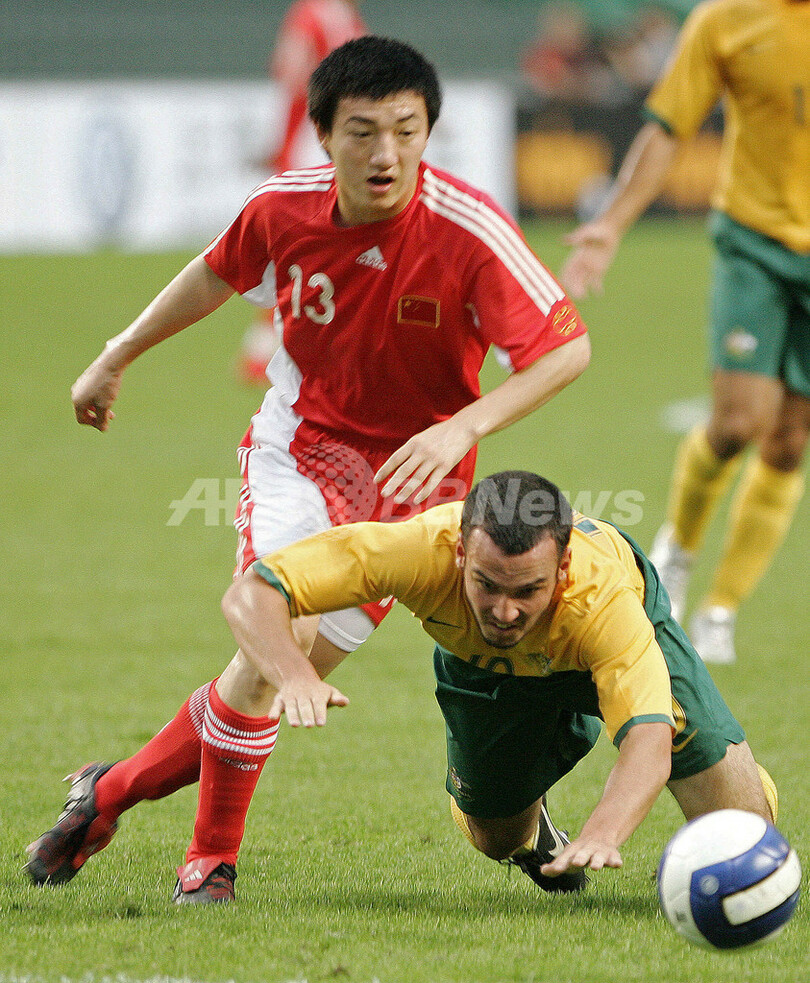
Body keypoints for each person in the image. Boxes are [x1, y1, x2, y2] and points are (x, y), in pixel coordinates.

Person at [26, 38, 591, 903]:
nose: (387, 152)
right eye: (363, 131)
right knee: (273, 650)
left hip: (409, 492)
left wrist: (463, 426)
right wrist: (116, 354)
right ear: (323, 135)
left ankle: (106, 793)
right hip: (301, 451)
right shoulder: (282, 209)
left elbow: (566, 347)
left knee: (270, 673)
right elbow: (214, 276)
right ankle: (209, 863)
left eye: (407, 129)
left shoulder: (469, 229)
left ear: (429, 131)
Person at [41, 470, 778, 899]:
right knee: (496, 836)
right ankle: (536, 824)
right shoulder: (413, 549)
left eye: (528, 590)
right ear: (459, 553)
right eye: (487, 584)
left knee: (747, 828)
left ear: (561, 568)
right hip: (488, 676)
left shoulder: (605, 601)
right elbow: (253, 593)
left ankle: (721, 792)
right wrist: (295, 671)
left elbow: (646, 739)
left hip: (610, 647)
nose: (504, 608)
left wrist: (604, 834)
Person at [560, 0, 810, 665]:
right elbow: (669, 127)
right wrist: (611, 224)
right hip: (755, 244)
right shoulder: (726, 19)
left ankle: (720, 608)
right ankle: (679, 548)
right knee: (737, 423)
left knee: (789, 440)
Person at [238, 0, 368, 383]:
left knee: (299, 254)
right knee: (310, 253)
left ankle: (268, 348)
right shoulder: (329, 12)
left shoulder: (313, 12)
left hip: (306, 147)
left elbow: (286, 69)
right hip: (318, 150)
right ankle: (268, 349)